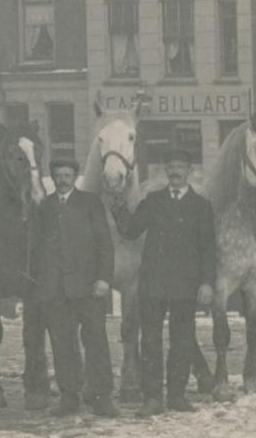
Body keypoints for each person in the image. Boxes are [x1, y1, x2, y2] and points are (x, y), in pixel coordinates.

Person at [109, 151, 216, 415]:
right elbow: (130, 230)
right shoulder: (153, 201)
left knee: (182, 341)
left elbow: (208, 248)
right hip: (153, 284)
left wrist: (206, 283)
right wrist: (118, 205)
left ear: (189, 170)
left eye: (181, 166)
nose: (176, 171)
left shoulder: (201, 206)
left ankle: (177, 396)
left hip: (185, 285)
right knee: (151, 342)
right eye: (171, 166)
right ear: (166, 170)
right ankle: (153, 398)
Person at [36, 154, 117, 418]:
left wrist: (103, 279)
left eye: (67, 176)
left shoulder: (90, 203)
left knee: (96, 341)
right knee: (62, 343)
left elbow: (105, 245)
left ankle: (101, 396)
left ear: (75, 177)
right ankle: (69, 396)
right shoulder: (45, 206)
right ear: (53, 178)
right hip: (56, 289)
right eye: (58, 176)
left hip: (88, 287)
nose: (62, 180)